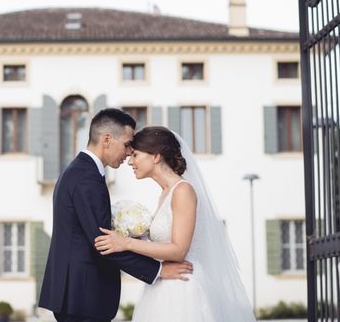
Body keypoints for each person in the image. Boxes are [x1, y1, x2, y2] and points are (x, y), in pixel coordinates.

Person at [38, 110, 194, 322]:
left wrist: (129, 241)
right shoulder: (87, 178)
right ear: (107, 140)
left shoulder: (81, 171)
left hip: (78, 295)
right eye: (128, 144)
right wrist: (157, 270)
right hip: (84, 297)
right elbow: (104, 243)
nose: (129, 153)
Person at [94, 126, 255, 321]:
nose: (130, 161)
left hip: (182, 287)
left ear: (155, 156)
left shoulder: (183, 191)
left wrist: (125, 243)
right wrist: (137, 237)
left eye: (135, 155)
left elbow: (179, 250)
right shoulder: (165, 194)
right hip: (163, 285)